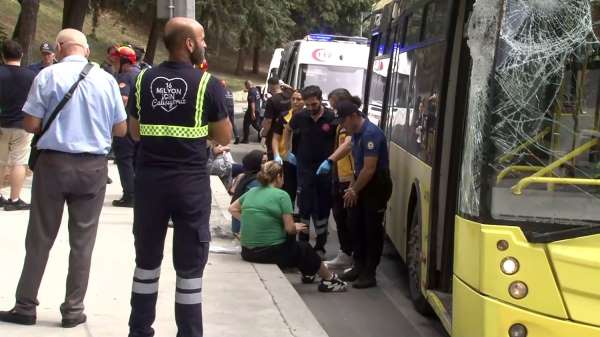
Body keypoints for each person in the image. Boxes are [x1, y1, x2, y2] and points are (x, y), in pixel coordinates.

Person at [0, 29, 128, 327]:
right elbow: (121, 129)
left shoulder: (47, 76)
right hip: (93, 167)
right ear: (85, 50)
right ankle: (72, 310)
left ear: (59, 48)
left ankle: (25, 305)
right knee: (82, 241)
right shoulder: (107, 80)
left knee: (40, 237)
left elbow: (31, 122)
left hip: (54, 165)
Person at [127, 17, 232, 337]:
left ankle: (139, 330)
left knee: (146, 263)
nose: (204, 45)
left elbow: (133, 133)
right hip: (189, 185)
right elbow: (224, 136)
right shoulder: (207, 85)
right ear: (188, 44)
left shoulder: (142, 81)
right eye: (201, 39)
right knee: (189, 269)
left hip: (149, 184)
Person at [229, 161, 347, 293]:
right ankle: (330, 279)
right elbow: (289, 229)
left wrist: (251, 220)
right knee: (304, 248)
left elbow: (232, 208)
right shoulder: (282, 195)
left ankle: (309, 273)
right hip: (270, 253)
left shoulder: (252, 192)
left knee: (296, 248)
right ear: (279, 176)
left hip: (247, 252)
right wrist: (294, 226)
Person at [336, 100, 393, 289]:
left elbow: (369, 169)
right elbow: (358, 167)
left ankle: (369, 273)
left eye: (343, 121)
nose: (342, 126)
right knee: (355, 224)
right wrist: (351, 189)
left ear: (353, 116)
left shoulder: (370, 134)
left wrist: (354, 190)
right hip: (361, 182)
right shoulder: (356, 134)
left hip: (376, 185)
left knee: (371, 229)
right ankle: (358, 265)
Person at [287, 86, 336, 257]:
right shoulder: (300, 116)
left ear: (320, 100)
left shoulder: (331, 117)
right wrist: (289, 151)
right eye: (307, 105)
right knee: (304, 207)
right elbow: (288, 129)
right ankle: (303, 245)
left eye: (314, 104)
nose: (311, 108)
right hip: (305, 167)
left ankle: (320, 245)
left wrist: (332, 161)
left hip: (324, 168)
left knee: (322, 208)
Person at [316, 89, 360, 269]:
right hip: (339, 174)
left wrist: (330, 160)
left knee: (347, 218)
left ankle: (350, 253)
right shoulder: (341, 122)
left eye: (333, 103)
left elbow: (348, 146)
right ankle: (346, 252)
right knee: (340, 216)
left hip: (348, 176)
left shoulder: (351, 124)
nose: (332, 108)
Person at [0, 40, 36, 211]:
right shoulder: (31, 76)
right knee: (19, 162)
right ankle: (14, 199)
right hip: (22, 123)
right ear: (21, 54)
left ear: (2, 55)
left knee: (0, 161)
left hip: (1, 123)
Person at [112, 46, 141, 207]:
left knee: (124, 160)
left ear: (124, 61)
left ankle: (129, 195)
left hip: (126, 125)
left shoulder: (125, 76)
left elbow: (123, 99)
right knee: (136, 160)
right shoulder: (141, 74)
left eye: (116, 59)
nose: (114, 62)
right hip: (139, 126)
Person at [272, 89, 303, 205]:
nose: (295, 102)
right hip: (286, 158)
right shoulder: (284, 116)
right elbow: (275, 137)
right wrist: (276, 155)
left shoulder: (307, 117)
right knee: (287, 189)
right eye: (293, 99)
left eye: (299, 99)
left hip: (302, 160)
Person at [229, 149, 264, 236]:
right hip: (243, 228)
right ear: (256, 164)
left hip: (238, 224)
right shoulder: (256, 182)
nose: (267, 165)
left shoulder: (246, 176)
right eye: (263, 162)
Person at [262, 75, 291, 160]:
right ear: (279, 84)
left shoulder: (271, 100)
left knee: (273, 156)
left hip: (274, 132)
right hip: (288, 131)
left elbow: (268, 121)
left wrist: (264, 135)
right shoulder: (290, 96)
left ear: (269, 86)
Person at [221, 79, 240, 144]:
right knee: (232, 122)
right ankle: (237, 136)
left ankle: (225, 138)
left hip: (225, 109)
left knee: (224, 123)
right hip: (231, 108)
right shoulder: (229, 91)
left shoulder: (221, 91)